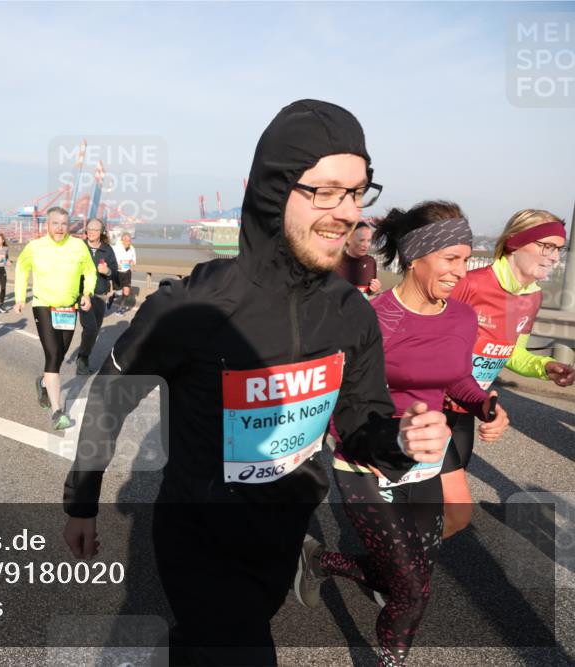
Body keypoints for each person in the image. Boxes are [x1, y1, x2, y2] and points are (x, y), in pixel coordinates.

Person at [62, 100, 454, 665]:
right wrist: (82, 501)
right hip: (200, 536)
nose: (345, 211)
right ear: (273, 190)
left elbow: (359, 420)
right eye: (324, 190)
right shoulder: (194, 307)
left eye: (356, 192)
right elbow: (111, 398)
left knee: (228, 632)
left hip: (285, 530)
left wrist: (398, 439)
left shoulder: (351, 313)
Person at [295, 201, 509, 667]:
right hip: (366, 462)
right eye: (451, 258)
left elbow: (457, 380)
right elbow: (337, 399)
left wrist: (486, 404)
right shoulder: (371, 319)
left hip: (425, 463)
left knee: (412, 575)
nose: (461, 270)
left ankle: (320, 561)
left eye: (467, 257)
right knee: (412, 590)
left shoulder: (460, 318)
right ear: (416, 257)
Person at [441, 209, 573, 538]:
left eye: (559, 248)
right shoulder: (470, 284)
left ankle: (398, 568)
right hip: (431, 404)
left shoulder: (532, 297)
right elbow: (428, 340)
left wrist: (544, 367)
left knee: (446, 506)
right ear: (516, 244)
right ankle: (395, 571)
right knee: (447, 503)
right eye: (546, 246)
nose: (553, 256)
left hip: (467, 409)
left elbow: (513, 353)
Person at [14, 207, 96, 430]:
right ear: (47, 225)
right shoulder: (35, 247)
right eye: (55, 224)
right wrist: (20, 297)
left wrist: (87, 292)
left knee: (59, 355)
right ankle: (58, 411)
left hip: (69, 308)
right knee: (52, 355)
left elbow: (90, 271)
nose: (60, 228)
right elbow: (21, 268)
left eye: (64, 224)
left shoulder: (78, 246)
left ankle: (42, 383)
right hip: (44, 305)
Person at [76, 219, 118, 375]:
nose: (91, 232)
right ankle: (82, 359)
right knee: (90, 327)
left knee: (94, 330)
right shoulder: (79, 247)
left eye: (95, 229)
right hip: (82, 294)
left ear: (102, 232)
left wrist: (107, 271)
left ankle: (83, 355)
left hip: (100, 295)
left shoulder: (107, 250)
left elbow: (115, 272)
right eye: (89, 229)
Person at [335, 221, 381, 296]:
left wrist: (377, 290)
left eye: (368, 241)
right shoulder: (335, 261)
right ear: (349, 240)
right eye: (361, 240)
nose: (365, 245)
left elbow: (371, 293)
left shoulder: (370, 262)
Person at [110, 233, 136, 314]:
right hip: (117, 273)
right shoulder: (116, 248)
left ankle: (120, 309)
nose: (128, 242)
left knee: (126, 292)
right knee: (118, 292)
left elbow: (134, 261)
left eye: (129, 240)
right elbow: (110, 258)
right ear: (122, 240)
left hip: (127, 273)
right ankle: (113, 296)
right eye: (126, 240)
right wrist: (116, 265)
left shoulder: (132, 248)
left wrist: (132, 263)